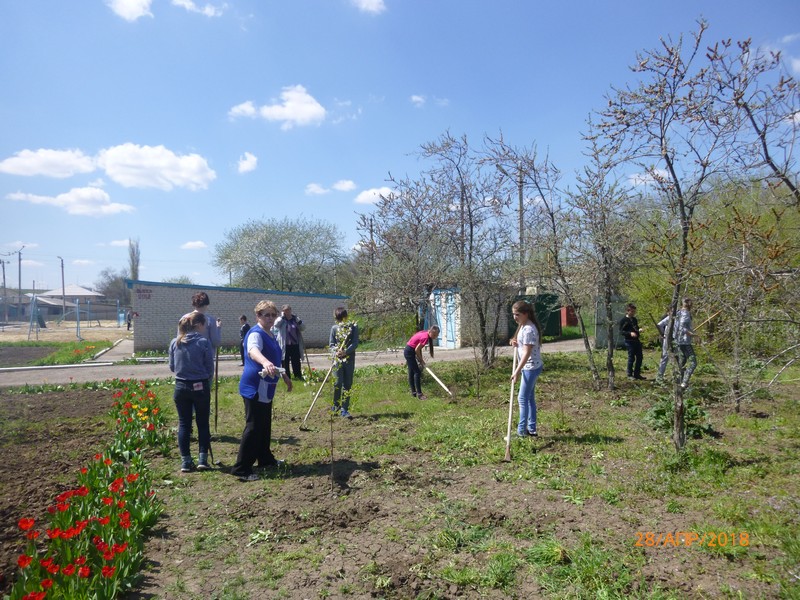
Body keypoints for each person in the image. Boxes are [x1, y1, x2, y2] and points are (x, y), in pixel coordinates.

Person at [231, 300, 292, 482]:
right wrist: (265, 362)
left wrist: (284, 375)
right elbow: (253, 351)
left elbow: (276, 359)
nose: (270, 318)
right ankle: (241, 468)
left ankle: (265, 459)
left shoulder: (270, 333)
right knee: (254, 426)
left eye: (273, 315)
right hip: (254, 386)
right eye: (266, 315)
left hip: (267, 386)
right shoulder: (255, 334)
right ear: (258, 316)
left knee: (264, 425)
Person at [169, 311, 214, 473]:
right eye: (205, 325)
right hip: (200, 385)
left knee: (184, 424)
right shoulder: (203, 342)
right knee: (202, 423)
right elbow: (209, 367)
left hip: (181, 386)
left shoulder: (175, 342)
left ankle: (186, 461)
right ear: (199, 325)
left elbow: (172, 366)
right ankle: (202, 459)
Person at [510, 300, 544, 437]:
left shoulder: (529, 329)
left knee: (522, 399)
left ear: (526, 314)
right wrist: (514, 342)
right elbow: (520, 343)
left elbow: (527, 353)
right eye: (513, 314)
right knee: (529, 398)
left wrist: (517, 371)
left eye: (517, 314)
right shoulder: (523, 326)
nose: (515, 317)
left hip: (530, 367)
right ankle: (532, 429)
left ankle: (521, 431)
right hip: (529, 366)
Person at [329, 307, 359, 419]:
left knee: (347, 384)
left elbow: (355, 343)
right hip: (337, 360)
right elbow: (331, 345)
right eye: (339, 319)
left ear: (346, 317)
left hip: (349, 359)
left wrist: (346, 351)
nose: (341, 321)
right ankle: (336, 405)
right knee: (337, 383)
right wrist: (336, 352)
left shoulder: (353, 327)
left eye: (343, 318)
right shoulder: (334, 328)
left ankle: (344, 409)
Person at [404, 325, 440, 400]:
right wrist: (421, 360)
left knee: (411, 372)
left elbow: (416, 347)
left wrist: (418, 358)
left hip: (409, 350)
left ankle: (414, 393)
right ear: (430, 332)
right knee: (417, 372)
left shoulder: (425, 333)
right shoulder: (425, 337)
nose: (435, 337)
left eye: (436, 335)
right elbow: (417, 350)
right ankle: (420, 394)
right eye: (434, 335)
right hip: (409, 352)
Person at [273, 305, 305, 380]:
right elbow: (276, 325)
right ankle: (286, 376)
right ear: (283, 311)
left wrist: (298, 320)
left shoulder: (295, 319)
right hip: (285, 344)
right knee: (285, 361)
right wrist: (281, 317)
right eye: (285, 310)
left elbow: (303, 328)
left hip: (295, 344)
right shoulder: (281, 320)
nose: (287, 312)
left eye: (288, 310)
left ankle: (298, 375)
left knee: (296, 360)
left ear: (291, 310)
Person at [674, 297, 697, 389]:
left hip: (678, 341)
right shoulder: (685, 313)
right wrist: (690, 333)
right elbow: (682, 327)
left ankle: (679, 383)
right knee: (693, 362)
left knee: (682, 362)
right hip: (684, 342)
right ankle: (684, 382)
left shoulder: (678, 313)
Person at [619, 303, 645, 380]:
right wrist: (630, 333)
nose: (633, 313)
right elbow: (621, 331)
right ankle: (629, 374)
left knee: (640, 357)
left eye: (634, 311)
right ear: (627, 311)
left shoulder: (634, 319)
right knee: (631, 357)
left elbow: (635, 328)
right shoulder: (624, 320)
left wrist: (639, 330)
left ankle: (637, 374)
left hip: (636, 340)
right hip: (629, 341)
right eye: (632, 311)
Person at [655, 308, 673, 383]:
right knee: (665, 357)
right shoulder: (667, 318)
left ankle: (676, 376)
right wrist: (662, 334)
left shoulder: (677, 317)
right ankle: (659, 377)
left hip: (676, 339)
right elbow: (659, 325)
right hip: (667, 339)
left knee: (676, 358)